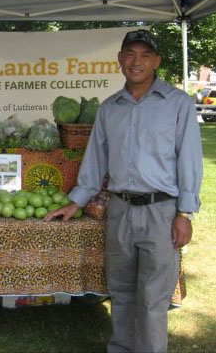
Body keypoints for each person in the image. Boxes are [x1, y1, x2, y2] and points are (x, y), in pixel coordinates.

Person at [46, 29, 203, 352]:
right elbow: (95, 161)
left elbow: (189, 159)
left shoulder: (178, 104)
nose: (137, 61)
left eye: (145, 55)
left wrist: (184, 213)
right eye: (130, 54)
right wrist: (76, 202)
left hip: (161, 212)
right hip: (119, 211)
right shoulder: (109, 108)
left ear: (157, 61)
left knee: (153, 297)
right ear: (119, 60)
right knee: (121, 290)